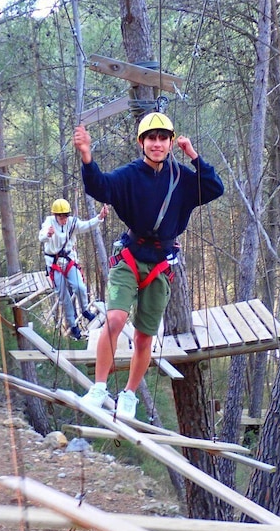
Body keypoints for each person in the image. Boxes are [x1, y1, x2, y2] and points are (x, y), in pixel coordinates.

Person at [73, 112, 224, 418]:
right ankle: (99, 387)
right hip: (130, 257)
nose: (157, 144)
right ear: (142, 143)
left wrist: (192, 155)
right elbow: (100, 187)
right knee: (114, 319)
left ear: (170, 142)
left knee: (144, 336)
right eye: (151, 138)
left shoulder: (181, 178)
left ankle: (129, 395)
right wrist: (87, 157)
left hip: (160, 266)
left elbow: (214, 187)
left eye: (163, 138)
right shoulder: (129, 175)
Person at [39, 198, 108, 340]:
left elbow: (87, 225)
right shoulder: (49, 222)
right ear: (55, 215)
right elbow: (42, 236)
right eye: (61, 216)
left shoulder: (72, 223)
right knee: (64, 297)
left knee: (80, 287)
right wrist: (48, 235)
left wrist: (99, 218)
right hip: (54, 264)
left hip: (69, 260)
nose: (64, 219)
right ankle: (73, 325)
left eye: (66, 216)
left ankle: (85, 311)